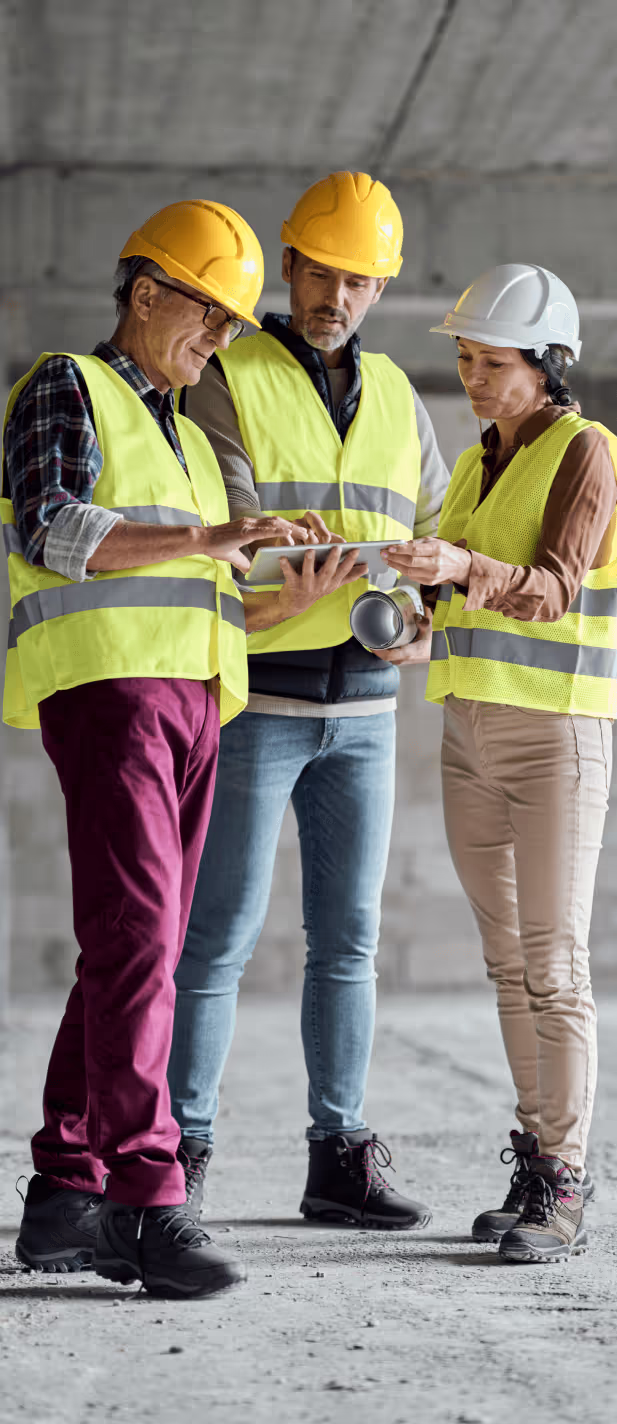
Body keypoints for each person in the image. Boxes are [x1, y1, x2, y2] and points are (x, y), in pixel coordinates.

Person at [2, 200, 365, 1299]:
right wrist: (212, 537)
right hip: (111, 691)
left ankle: (65, 1188)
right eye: (206, 312)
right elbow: (50, 527)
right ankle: (143, 1198)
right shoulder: (68, 382)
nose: (220, 337)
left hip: (197, 700)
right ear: (147, 290)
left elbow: (201, 587)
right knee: (142, 941)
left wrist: (279, 585)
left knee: (130, 942)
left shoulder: (189, 435)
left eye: (228, 321)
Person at [168, 171, 449, 1229]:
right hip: (259, 699)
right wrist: (294, 582)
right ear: (288, 265)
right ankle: (179, 1152)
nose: (339, 293)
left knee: (348, 938)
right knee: (220, 936)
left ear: (380, 288)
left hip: (367, 707)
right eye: (323, 271)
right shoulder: (225, 377)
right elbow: (228, 531)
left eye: (360, 279)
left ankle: (337, 1153)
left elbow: (429, 523)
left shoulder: (397, 399)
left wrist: (427, 602)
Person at [381, 263, 617, 1263]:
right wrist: (416, 624)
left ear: (547, 364)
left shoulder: (585, 451)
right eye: (465, 360)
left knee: (554, 962)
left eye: (493, 363)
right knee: (506, 965)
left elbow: (554, 589)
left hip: (552, 733)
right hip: (467, 733)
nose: (474, 379)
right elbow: (467, 602)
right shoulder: (476, 466)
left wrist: (458, 568)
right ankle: (532, 1153)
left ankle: (562, 1177)